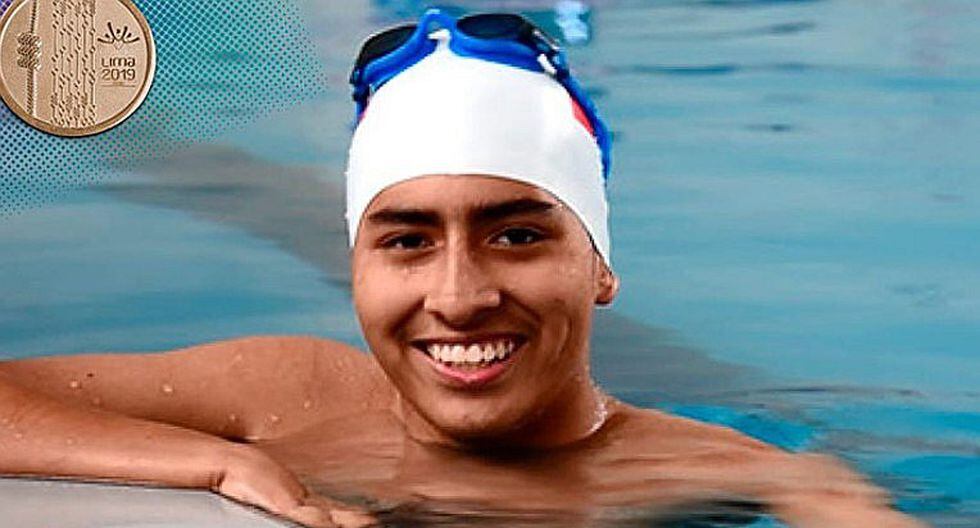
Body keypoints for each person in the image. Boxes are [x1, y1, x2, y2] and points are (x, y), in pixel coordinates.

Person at [0, 9, 922, 528]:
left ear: (600, 265)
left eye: (516, 236)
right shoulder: (284, 395)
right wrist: (213, 461)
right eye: (406, 240)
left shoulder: (736, 474)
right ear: (357, 267)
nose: (459, 297)